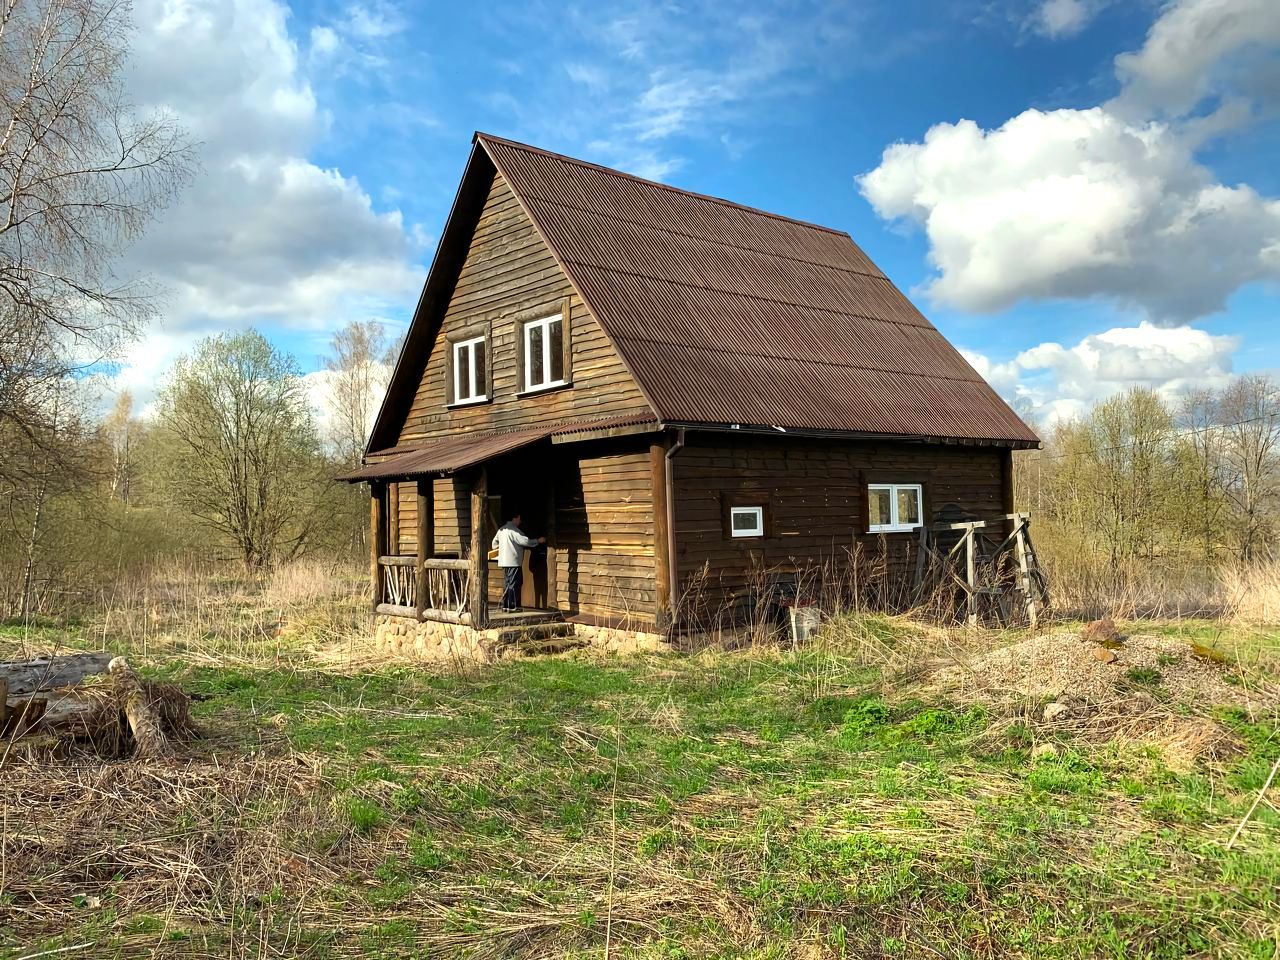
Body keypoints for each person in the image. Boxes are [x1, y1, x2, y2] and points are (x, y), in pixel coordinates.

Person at [491, 513, 545, 612]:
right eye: (519, 519)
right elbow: (526, 542)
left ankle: (505, 606)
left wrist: (503, 547)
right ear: (515, 518)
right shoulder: (514, 531)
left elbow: (494, 544)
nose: (520, 521)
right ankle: (512, 606)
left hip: (503, 561)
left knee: (507, 583)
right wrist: (538, 541)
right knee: (514, 584)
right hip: (513, 562)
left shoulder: (501, 530)